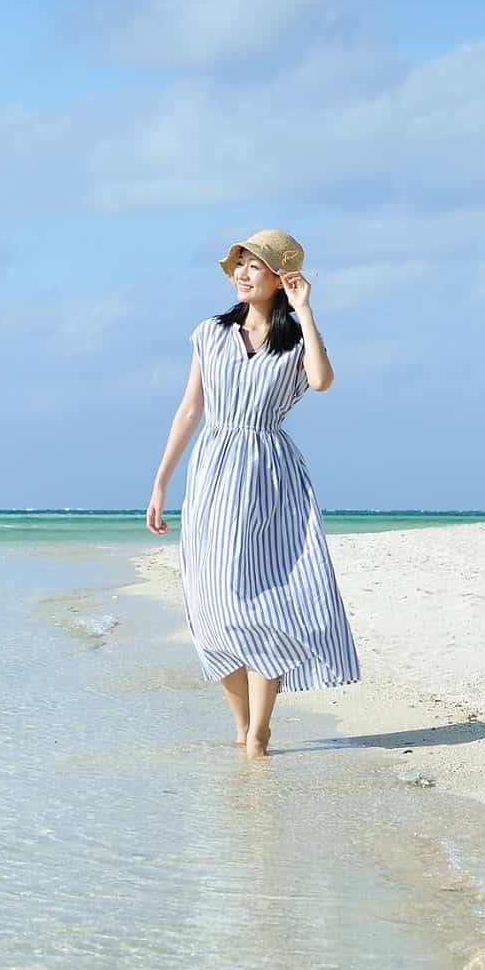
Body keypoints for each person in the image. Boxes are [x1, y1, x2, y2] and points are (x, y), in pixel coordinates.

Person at [145, 229, 362, 759]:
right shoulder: (209, 334)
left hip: (270, 479)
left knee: (266, 605)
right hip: (214, 475)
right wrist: (160, 483)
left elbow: (322, 380)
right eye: (238, 264)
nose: (242, 273)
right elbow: (190, 410)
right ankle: (241, 724)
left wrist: (305, 311)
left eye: (254, 266)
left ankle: (259, 732)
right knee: (213, 606)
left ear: (280, 278)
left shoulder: (295, 342)